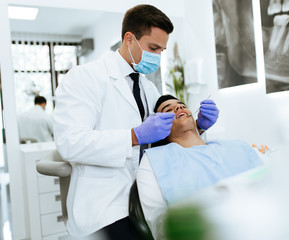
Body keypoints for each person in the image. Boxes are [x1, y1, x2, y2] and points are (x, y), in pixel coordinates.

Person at [53, 4, 219, 240]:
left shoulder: (148, 88)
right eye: (153, 48)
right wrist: (134, 136)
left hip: (147, 194)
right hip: (105, 204)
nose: (158, 56)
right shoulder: (85, 77)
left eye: (162, 50)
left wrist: (198, 127)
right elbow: (70, 142)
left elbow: (162, 139)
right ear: (129, 39)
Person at [136, 95, 264, 239]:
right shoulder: (155, 160)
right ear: (158, 128)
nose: (179, 107)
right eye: (168, 110)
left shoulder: (238, 146)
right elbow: (160, 224)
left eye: (182, 105)